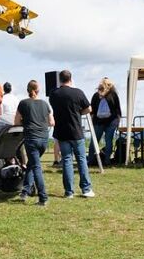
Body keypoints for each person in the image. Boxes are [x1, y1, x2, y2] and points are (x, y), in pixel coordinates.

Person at [49, 69, 95, 198]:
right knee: (81, 160)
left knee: (67, 161)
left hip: (61, 132)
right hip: (76, 131)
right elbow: (89, 108)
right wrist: (78, 112)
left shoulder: (54, 94)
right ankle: (86, 189)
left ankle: (69, 191)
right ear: (71, 78)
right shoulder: (78, 92)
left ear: (60, 80)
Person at [15, 79, 52, 206]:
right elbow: (52, 122)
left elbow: (16, 122)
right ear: (38, 91)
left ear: (28, 90)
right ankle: (25, 190)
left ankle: (43, 197)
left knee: (36, 167)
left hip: (31, 138)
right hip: (44, 138)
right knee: (32, 163)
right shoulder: (44, 104)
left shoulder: (23, 103)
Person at [89, 78, 121, 166]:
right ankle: (107, 161)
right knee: (109, 141)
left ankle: (90, 160)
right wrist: (118, 121)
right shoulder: (113, 95)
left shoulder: (96, 95)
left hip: (98, 122)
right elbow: (117, 109)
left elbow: (92, 110)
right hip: (111, 121)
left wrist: (92, 121)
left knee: (94, 141)